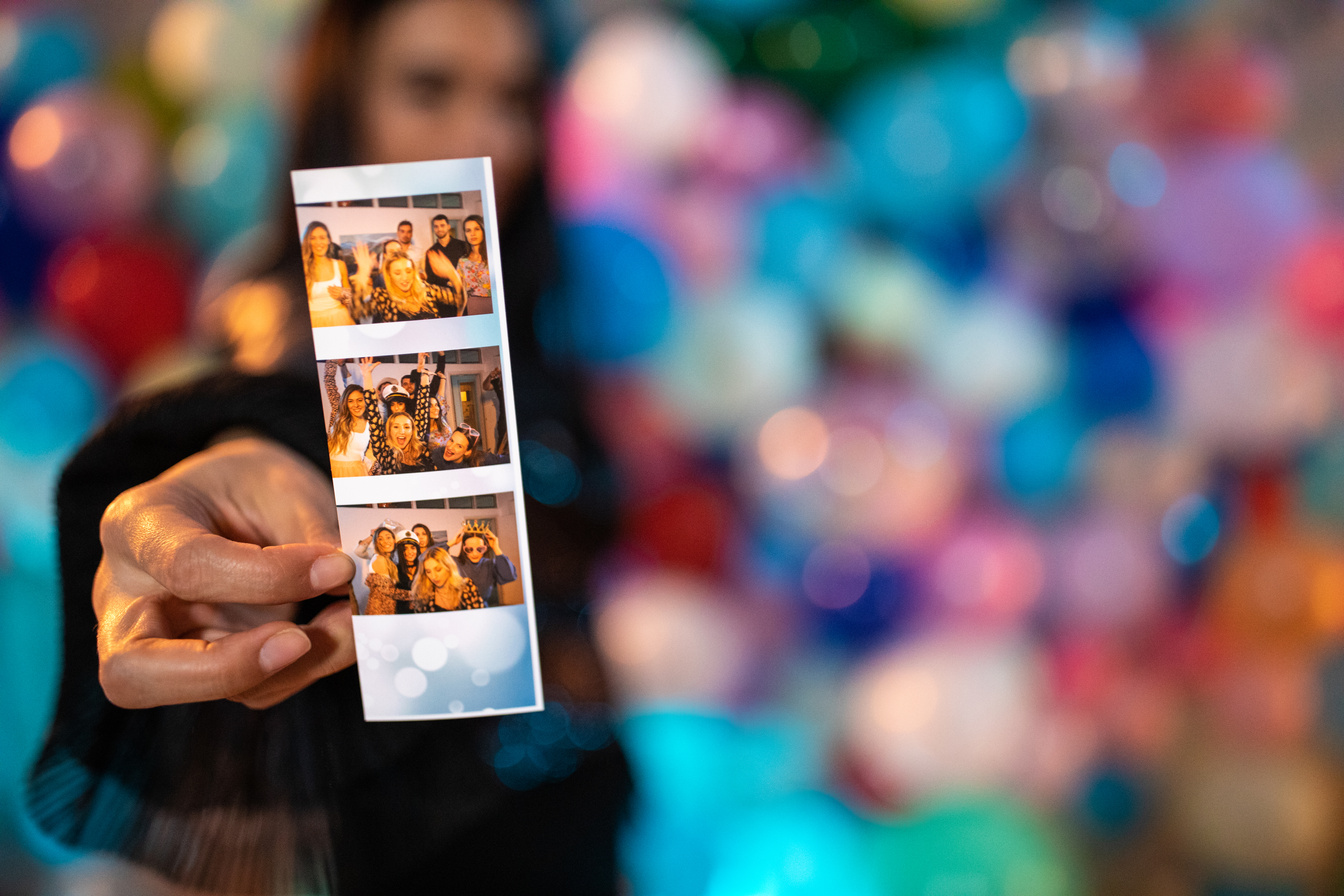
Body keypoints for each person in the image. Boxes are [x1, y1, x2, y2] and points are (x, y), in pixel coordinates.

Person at [27, 0, 629, 892]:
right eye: (428, 87)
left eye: (515, 96)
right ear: (338, 99)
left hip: (590, 832)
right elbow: (290, 411)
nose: (485, 133)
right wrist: (251, 464)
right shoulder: (339, 301)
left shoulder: (529, 303)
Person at [368, 253, 462, 322]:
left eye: (408, 271)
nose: (404, 278)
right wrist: (361, 275)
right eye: (397, 273)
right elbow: (358, 312)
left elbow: (460, 300)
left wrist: (454, 276)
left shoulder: (426, 289)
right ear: (389, 275)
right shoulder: (382, 296)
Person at [324, 358, 379, 477]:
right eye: (351, 401)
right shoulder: (337, 415)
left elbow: (374, 451)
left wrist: (368, 469)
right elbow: (329, 383)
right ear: (345, 403)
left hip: (357, 473)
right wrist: (333, 361)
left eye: (360, 400)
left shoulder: (371, 423)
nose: (356, 405)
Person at [302, 221, 356, 327]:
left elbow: (349, 301)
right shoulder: (303, 268)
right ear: (307, 241)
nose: (318, 242)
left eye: (322, 238)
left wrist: (343, 294)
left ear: (328, 240)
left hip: (340, 319)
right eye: (313, 238)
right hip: (314, 323)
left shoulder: (340, 265)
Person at [449, 524, 518, 607]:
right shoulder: (453, 562)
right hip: (458, 609)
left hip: (483, 609)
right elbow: (431, 556)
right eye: (469, 549)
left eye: (480, 549)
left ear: (486, 547)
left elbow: (509, 576)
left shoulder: (490, 564)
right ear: (463, 547)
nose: (474, 553)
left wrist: (496, 548)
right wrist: (452, 542)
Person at [412, 546, 484, 612]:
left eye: (438, 569)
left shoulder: (467, 586)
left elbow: (479, 617)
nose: (433, 577)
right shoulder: (423, 596)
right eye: (428, 572)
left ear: (448, 567)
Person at [361, 525, 402, 615]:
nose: (385, 541)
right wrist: (415, 594)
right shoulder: (380, 559)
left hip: (386, 610)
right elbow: (389, 591)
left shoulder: (390, 561)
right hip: (379, 612)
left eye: (388, 537)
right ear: (376, 542)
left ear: (394, 540)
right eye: (380, 539)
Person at [456, 213, 492, 315]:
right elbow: (460, 292)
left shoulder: (492, 256)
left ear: (483, 231)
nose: (472, 234)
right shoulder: (462, 261)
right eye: (468, 230)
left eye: (477, 229)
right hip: (474, 306)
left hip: (494, 303)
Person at [424, 213, 468, 294]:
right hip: (442, 296)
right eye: (436, 226)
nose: (439, 229)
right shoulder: (431, 252)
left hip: (462, 293)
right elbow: (430, 279)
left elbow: (468, 271)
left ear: (448, 226)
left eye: (442, 225)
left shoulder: (463, 246)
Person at [436, 422, 506, 469]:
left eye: (459, 446)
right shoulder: (436, 457)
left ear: (468, 451)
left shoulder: (484, 460)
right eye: (451, 440)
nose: (450, 447)